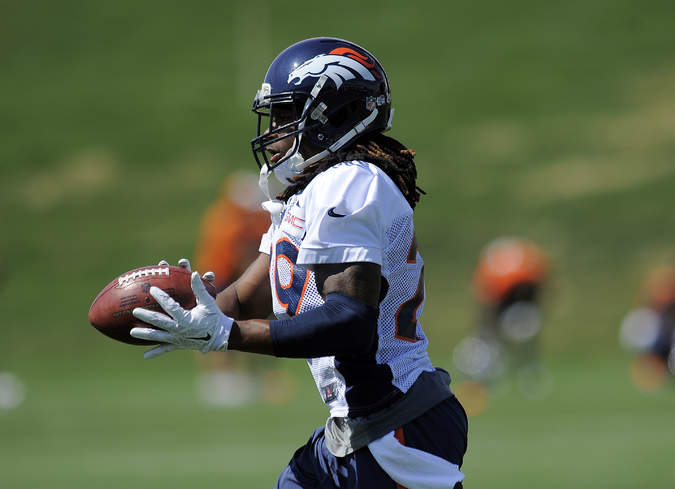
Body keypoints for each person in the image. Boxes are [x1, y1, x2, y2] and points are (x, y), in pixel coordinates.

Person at [130, 37, 468, 489]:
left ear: (335, 115)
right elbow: (248, 297)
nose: (273, 131)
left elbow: (349, 320)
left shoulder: (350, 182)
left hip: (398, 427)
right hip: (356, 425)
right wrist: (181, 307)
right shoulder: (307, 194)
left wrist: (228, 335)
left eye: (286, 114)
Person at [192, 171, 276, 407]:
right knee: (214, 323)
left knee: (241, 325)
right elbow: (239, 256)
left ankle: (242, 376)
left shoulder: (249, 218)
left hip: (233, 277)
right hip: (218, 276)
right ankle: (220, 378)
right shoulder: (228, 221)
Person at [453, 237, 550, 399]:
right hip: (502, 304)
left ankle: (525, 371)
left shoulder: (512, 269)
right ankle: (494, 371)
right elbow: (489, 303)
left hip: (510, 306)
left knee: (514, 335)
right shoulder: (505, 271)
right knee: (489, 338)